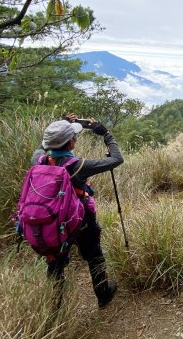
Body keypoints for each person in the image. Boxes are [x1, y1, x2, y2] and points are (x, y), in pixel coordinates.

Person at [31, 114, 124, 308]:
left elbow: (43, 145)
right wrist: (106, 134)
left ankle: (54, 305)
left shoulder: (38, 161)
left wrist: (62, 124)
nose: (75, 139)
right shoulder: (77, 166)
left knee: (55, 263)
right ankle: (103, 294)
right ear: (71, 144)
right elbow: (117, 159)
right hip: (80, 220)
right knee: (94, 255)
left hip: (52, 222)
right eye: (73, 136)